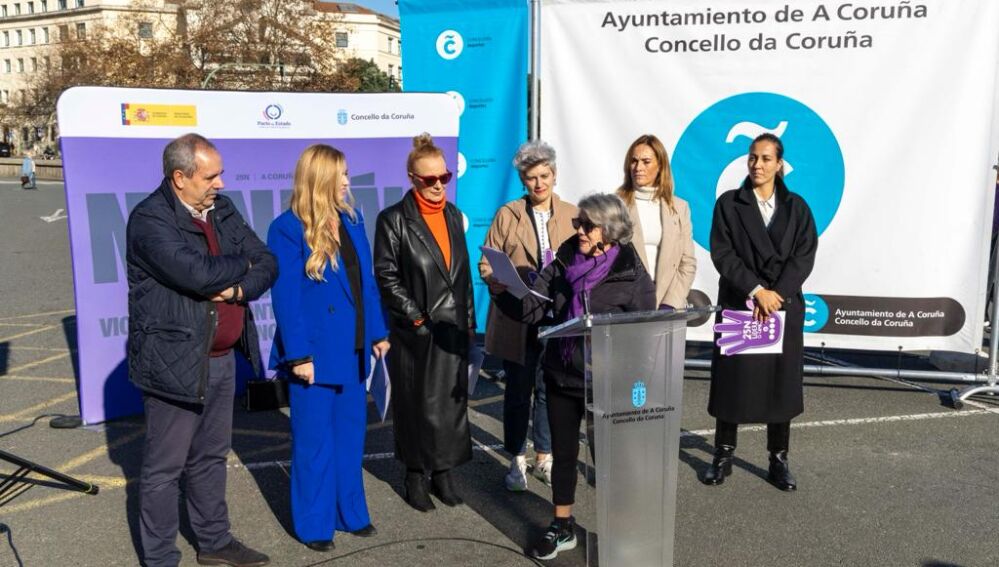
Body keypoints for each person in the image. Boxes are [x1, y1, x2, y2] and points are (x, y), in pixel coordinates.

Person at [126, 133, 276, 567]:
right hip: (175, 361)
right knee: (163, 470)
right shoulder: (149, 220)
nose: (221, 184)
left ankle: (214, 544)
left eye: (220, 174)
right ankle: (160, 559)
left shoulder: (222, 210)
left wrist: (233, 289)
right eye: (211, 176)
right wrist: (235, 268)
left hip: (222, 358)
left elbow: (266, 260)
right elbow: (194, 273)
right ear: (179, 177)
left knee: (211, 457)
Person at [493, 193, 655, 561]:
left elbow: (643, 329)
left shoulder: (631, 271)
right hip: (561, 375)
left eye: (587, 225)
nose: (578, 229)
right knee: (564, 455)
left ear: (609, 231)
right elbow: (536, 308)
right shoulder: (566, 255)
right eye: (577, 222)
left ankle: (623, 532)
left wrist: (633, 377)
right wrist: (505, 292)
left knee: (613, 460)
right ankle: (562, 525)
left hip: (607, 382)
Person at [268, 145, 390, 552]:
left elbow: (366, 284)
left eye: (347, 174)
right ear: (320, 179)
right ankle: (314, 524)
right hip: (315, 357)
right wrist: (298, 356)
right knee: (314, 443)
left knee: (351, 438)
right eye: (340, 175)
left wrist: (378, 333)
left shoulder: (352, 220)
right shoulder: (286, 228)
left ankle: (351, 514)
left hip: (353, 350)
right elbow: (286, 299)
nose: (347, 182)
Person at [703, 133, 818, 491]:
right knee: (732, 381)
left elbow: (804, 256)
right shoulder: (729, 203)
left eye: (766, 158)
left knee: (779, 384)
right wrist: (756, 290)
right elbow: (723, 253)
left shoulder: (797, 208)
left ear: (779, 164)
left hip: (781, 308)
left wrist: (777, 295)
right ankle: (722, 454)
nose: (758, 165)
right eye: (753, 157)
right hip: (742, 303)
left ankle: (778, 458)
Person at [373, 133, 476, 512]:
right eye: (428, 180)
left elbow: (461, 275)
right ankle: (415, 474)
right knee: (416, 405)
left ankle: (443, 473)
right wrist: (416, 316)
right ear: (412, 178)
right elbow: (386, 275)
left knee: (451, 405)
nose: (437, 186)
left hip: (452, 330)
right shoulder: (394, 220)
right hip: (417, 330)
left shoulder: (452, 215)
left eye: (443, 178)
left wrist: (468, 322)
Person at [480, 140, 577, 491]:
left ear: (554, 174)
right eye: (531, 178)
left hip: (557, 318)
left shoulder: (571, 213)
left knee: (549, 388)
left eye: (544, 175)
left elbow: (583, 260)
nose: (539, 184)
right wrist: (496, 280)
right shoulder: (508, 213)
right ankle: (516, 459)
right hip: (517, 315)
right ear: (523, 180)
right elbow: (486, 261)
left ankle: (544, 456)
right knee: (518, 390)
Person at [617, 134, 696, 309]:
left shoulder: (680, 207)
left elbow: (687, 262)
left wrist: (670, 303)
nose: (638, 167)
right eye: (634, 161)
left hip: (667, 304)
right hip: (625, 305)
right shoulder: (615, 205)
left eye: (646, 162)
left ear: (660, 166)